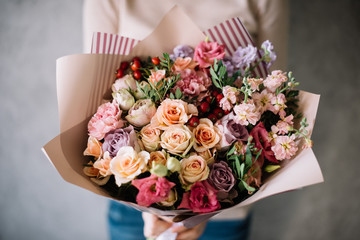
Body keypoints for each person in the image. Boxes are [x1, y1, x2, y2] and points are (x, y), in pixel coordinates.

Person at [83, 1, 289, 239]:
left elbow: (273, 96)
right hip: (133, 209)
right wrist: (152, 205)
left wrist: (199, 211)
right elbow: (96, 90)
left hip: (226, 213)